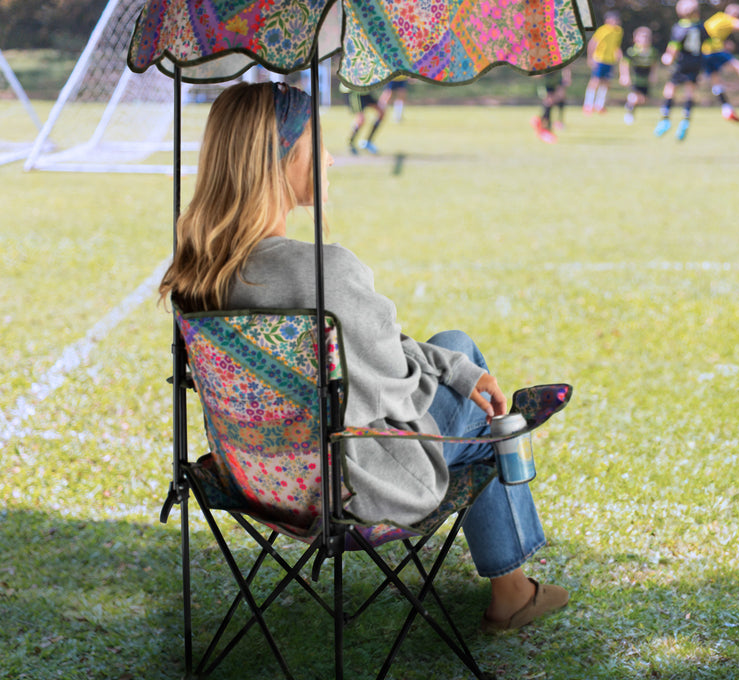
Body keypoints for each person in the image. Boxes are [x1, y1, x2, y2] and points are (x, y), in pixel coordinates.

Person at [159, 81, 570, 633]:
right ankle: (513, 586)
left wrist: (454, 367)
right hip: (351, 479)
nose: (329, 155)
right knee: (487, 419)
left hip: (258, 474)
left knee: (455, 350)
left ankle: (512, 577)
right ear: (282, 157)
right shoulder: (325, 272)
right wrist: (458, 381)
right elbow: (398, 389)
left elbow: (374, 362)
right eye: (317, 140)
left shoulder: (199, 272)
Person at [654, 0, 706, 141]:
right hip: (696, 62)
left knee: (670, 88)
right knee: (690, 91)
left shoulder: (680, 27)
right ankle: (685, 119)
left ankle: (665, 118)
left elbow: (674, 45)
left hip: (682, 63)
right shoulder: (701, 26)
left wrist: (668, 56)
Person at [582, 11, 623, 114]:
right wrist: (590, 58)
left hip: (610, 60)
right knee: (595, 81)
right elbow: (592, 43)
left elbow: (616, 45)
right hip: (599, 59)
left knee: (606, 83)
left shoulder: (619, 31)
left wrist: (618, 54)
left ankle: (599, 105)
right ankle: (588, 105)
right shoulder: (602, 30)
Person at [619, 26, 658, 125]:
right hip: (635, 78)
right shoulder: (632, 51)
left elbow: (654, 63)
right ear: (635, 39)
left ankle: (630, 104)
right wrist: (624, 76)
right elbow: (624, 63)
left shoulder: (652, 52)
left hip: (645, 79)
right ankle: (630, 111)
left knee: (644, 100)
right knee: (635, 97)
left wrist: (653, 74)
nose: (644, 40)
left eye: (647, 38)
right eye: (642, 37)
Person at [531, 68, 571, 143]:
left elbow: (566, 65)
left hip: (556, 79)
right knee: (549, 101)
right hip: (546, 80)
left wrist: (567, 76)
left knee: (561, 98)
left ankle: (543, 123)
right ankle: (544, 128)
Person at [345, 87, 386, 154]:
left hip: (364, 91)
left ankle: (368, 142)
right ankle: (351, 143)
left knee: (381, 112)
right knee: (361, 119)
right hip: (354, 91)